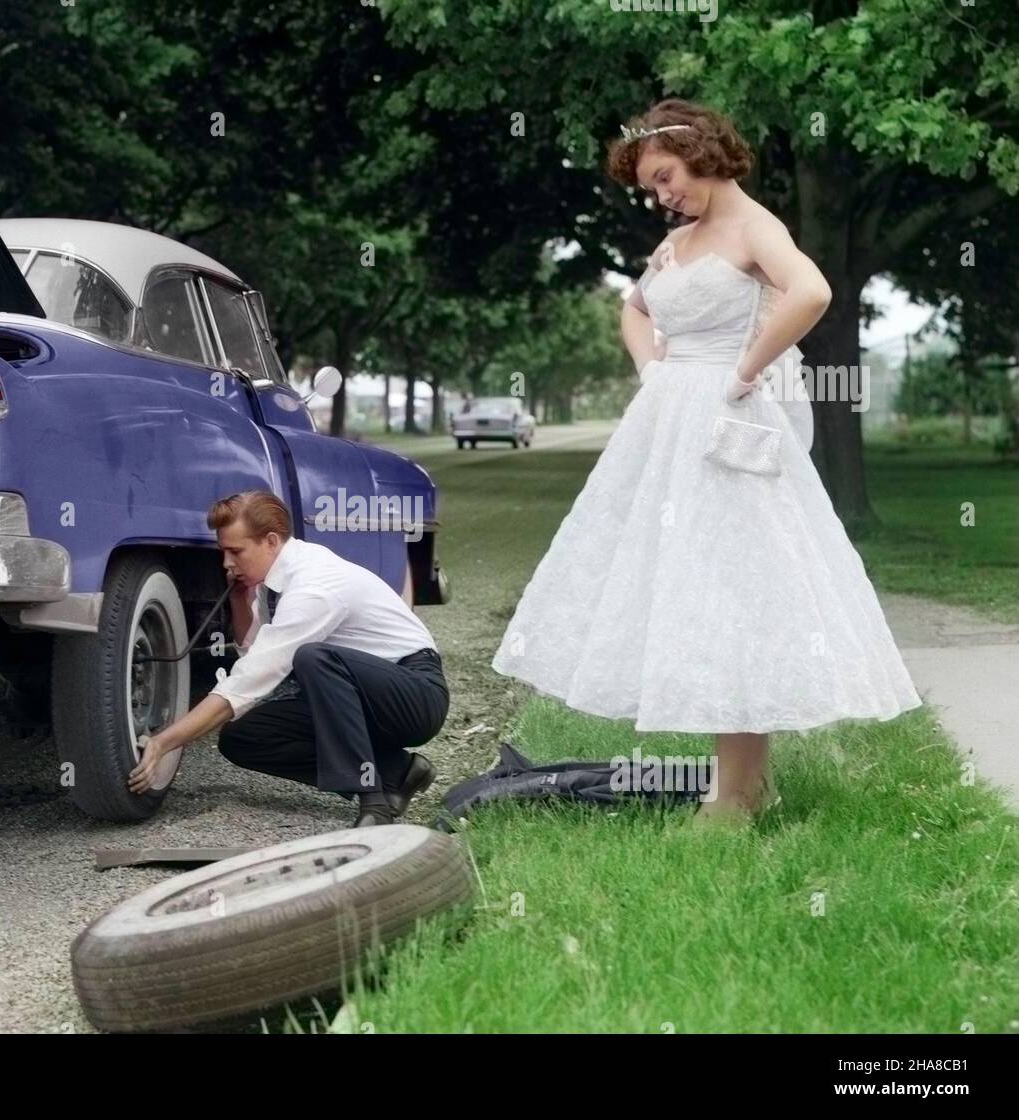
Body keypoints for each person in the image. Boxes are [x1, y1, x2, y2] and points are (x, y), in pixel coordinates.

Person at [490, 99, 922, 825]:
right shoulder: (676, 244)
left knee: (734, 589)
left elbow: (813, 291)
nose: (662, 195)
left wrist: (745, 370)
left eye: (666, 177)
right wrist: (651, 369)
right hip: (666, 424)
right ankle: (740, 787)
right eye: (652, 188)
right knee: (684, 586)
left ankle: (740, 794)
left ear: (702, 153)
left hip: (728, 424)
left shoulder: (757, 227)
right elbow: (635, 309)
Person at [128, 490, 449, 827]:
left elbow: (252, 679)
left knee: (313, 659)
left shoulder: (313, 587)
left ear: (270, 541)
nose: (226, 563)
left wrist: (164, 742)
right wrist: (239, 597)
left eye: (235, 551)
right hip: (365, 693)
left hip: (415, 694)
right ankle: (397, 772)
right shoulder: (276, 579)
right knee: (242, 738)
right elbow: (255, 656)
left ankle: (374, 806)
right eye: (223, 552)